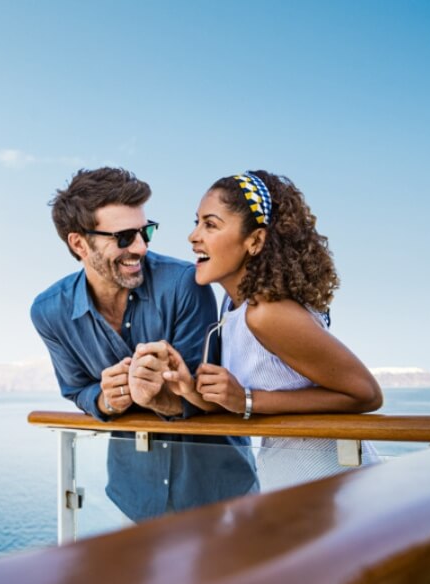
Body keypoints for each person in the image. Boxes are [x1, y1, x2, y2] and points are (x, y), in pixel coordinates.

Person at [31, 167, 258, 521]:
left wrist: (152, 396)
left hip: (220, 494)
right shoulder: (49, 312)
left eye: (145, 231)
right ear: (79, 244)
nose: (140, 247)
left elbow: (205, 396)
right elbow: (77, 389)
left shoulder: (186, 284)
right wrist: (108, 398)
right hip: (134, 497)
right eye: (124, 237)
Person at [160, 170, 384, 490]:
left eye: (210, 224)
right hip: (290, 486)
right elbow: (240, 401)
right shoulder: (231, 307)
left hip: (337, 484)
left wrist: (247, 400)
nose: (193, 236)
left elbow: (366, 394)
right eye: (196, 222)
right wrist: (191, 389)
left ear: (255, 241)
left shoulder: (267, 314)